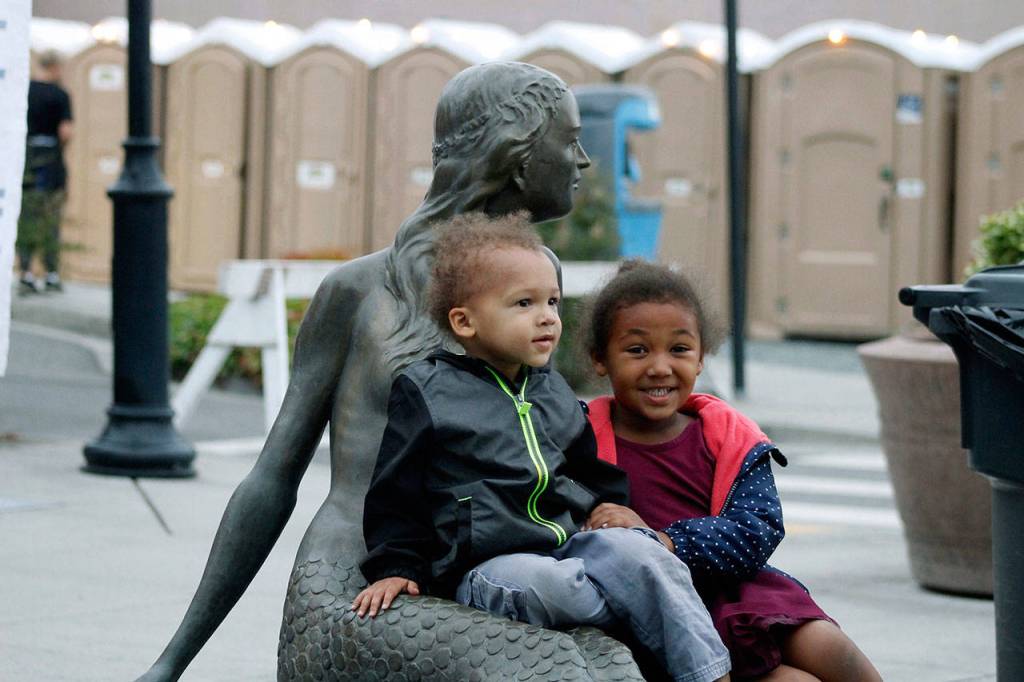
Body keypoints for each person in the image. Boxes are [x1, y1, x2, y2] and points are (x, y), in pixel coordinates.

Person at [136, 63, 651, 681]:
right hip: (360, 588)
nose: (583, 161)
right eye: (568, 140)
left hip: (487, 581)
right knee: (552, 671)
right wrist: (172, 661)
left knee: (614, 666)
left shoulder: (535, 278)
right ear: (516, 155)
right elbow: (271, 480)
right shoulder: (358, 290)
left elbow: (553, 448)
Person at [353, 214, 732, 682]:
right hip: (490, 565)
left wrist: (609, 505)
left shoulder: (551, 390)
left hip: (570, 545)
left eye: (552, 300)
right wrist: (395, 566)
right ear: (465, 321)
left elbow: (589, 468)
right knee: (559, 587)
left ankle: (711, 675)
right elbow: (396, 492)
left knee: (650, 557)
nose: (548, 316)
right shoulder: (428, 391)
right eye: (524, 303)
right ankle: (631, 605)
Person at [582, 261, 883, 682]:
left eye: (679, 349)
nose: (660, 367)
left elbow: (758, 527)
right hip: (663, 611)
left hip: (741, 594)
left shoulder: (727, 436)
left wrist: (666, 540)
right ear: (600, 358)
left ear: (702, 356)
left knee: (827, 644)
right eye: (637, 350)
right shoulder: (581, 438)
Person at [18, 49, 73, 294]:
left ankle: (26, 272)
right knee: (50, 220)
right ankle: (51, 273)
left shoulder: (24, 91)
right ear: (55, 67)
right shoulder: (61, 95)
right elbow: (66, 132)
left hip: (27, 161)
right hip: (51, 163)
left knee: (27, 218)